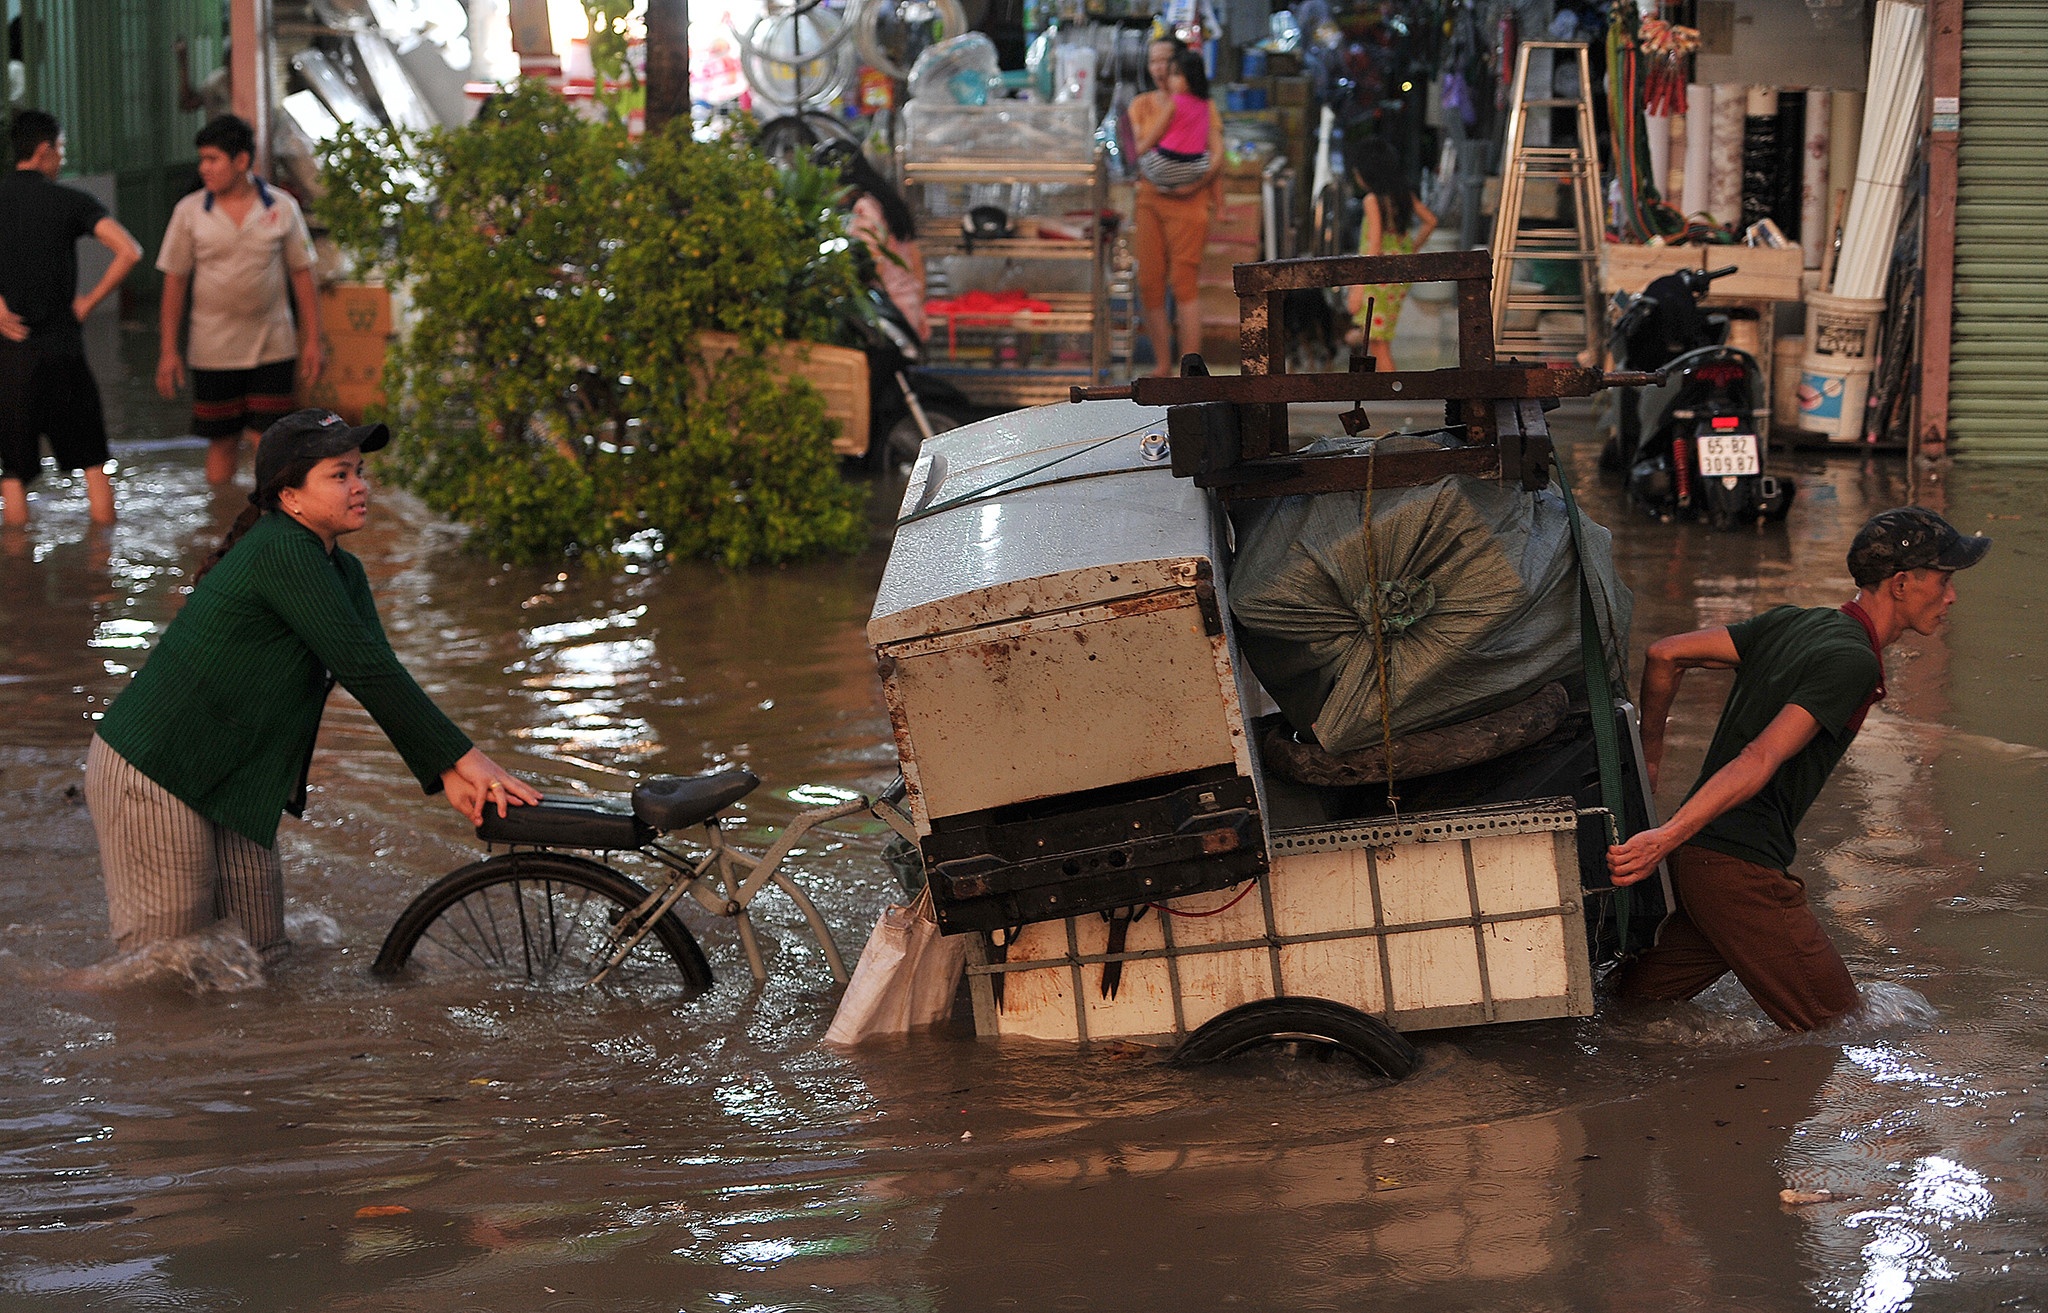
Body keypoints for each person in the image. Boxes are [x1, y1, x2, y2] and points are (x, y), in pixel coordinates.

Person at [85, 409, 541, 964]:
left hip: (233, 776)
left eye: (360, 471)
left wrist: (450, 771)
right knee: (165, 968)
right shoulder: (282, 551)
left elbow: (379, 672)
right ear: (290, 498)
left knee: (260, 956)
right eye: (339, 475)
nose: (360, 487)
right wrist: (472, 761)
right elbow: (366, 672)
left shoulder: (340, 570)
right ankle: (48, 1001)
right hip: (157, 767)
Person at [1606, 506, 1993, 1031]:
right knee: (1843, 1030)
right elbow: (1760, 757)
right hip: (1737, 871)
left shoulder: (1796, 623)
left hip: (1700, 864)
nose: (1951, 597)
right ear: (1901, 583)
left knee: (1629, 1012)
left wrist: (1649, 756)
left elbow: (1665, 655)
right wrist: (1663, 836)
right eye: (1944, 580)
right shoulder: (1852, 660)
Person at [156, 115, 324, 486]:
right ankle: (222, 525)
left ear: (242, 161)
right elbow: (174, 283)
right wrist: (169, 351)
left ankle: (273, 525)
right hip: (211, 349)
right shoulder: (189, 212)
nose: (204, 169)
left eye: (213, 159)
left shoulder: (281, 207)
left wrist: (313, 340)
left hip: (274, 345)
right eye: (202, 159)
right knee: (221, 442)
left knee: (271, 442)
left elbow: (303, 275)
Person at [0, 109, 142, 528]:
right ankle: (101, 574)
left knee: (12, 471)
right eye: (60, 149)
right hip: (62, 350)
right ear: (44, 151)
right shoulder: (70, 202)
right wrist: (88, 302)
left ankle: (19, 573)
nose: (61, 159)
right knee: (93, 462)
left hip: (9, 356)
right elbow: (129, 250)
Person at [1129, 37, 1223, 377]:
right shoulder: (1141, 104)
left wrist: (1195, 184)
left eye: (1166, 62)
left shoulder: (1202, 104)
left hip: (1190, 203)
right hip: (1150, 201)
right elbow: (1138, 149)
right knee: (1150, 282)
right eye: (1153, 62)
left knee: (1184, 282)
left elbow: (1217, 153)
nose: (1159, 69)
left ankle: (1190, 368)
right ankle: (1162, 365)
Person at [1342, 139, 1438, 373]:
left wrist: (1357, 289)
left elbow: (1373, 246)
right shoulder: (1402, 195)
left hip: (1377, 278)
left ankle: (1393, 394)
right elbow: (1431, 221)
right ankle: (1388, 389)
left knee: (1379, 343)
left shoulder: (1372, 200)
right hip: (1397, 278)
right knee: (1375, 336)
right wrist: (1410, 249)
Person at [825, 143, 928, 340]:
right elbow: (915, 258)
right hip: (909, 306)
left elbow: (873, 264)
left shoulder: (865, 210)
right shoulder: (887, 201)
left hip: (888, 314)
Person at [1133, 47, 1214, 193]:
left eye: (1175, 75)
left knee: (1142, 162)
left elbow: (1157, 133)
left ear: (1191, 77)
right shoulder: (1205, 104)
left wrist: (1136, 153)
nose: (1169, 80)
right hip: (1196, 167)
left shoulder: (1174, 102)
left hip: (1164, 164)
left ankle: (1163, 187)